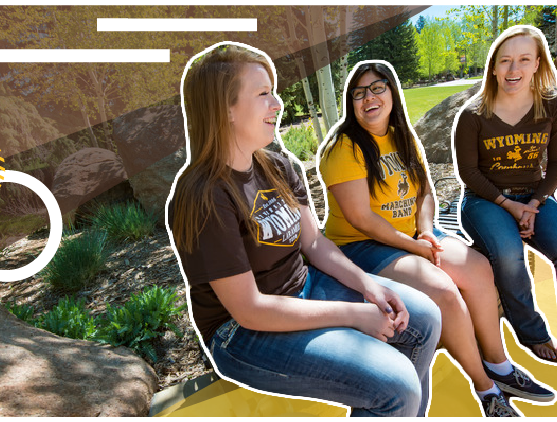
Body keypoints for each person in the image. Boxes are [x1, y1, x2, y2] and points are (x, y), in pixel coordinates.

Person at [166, 43, 442, 417]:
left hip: (303, 287)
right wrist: (354, 314)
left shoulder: (276, 164)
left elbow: (312, 241)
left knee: (424, 316)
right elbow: (249, 309)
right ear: (225, 109)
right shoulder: (203, 195)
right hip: (242, 332)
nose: (277, 104)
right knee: (397, 385)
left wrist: (367, 283)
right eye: (263, 94)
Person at [318, 60, 554, 418]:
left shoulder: (403, 136)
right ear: (352, 103)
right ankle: (485, 388)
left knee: (477, 269)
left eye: (377, 88)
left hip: (413, 233)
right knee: (443, 290)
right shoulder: (343, 149)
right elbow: (361, 219)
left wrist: (426, 230)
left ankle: (500, 366)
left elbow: (425, 190)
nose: (369, 98)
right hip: (360, 246)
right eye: (359, 93)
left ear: (392, 93)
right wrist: (415, 246)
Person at [452, 25, 557, 374]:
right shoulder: (472, 115)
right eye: (505, 61)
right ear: (493, 67)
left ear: (538, 63)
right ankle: (531, 332)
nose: (513, 70)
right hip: (484, 201)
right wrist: (511, 207)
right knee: (508, 255)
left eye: (524, 59)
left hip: (536, 196)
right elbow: (469, 173)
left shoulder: (556, 108)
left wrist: (534, 205)